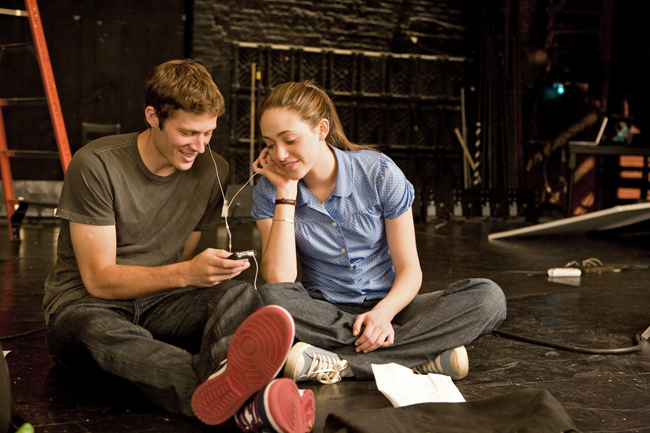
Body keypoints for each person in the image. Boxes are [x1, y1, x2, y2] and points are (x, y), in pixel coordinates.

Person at [43, 59, 314, 432]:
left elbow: (182, 259)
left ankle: (227, 390)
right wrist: (188, 273)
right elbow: (99, 280)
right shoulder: (96, 165)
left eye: (208, 133)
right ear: (153, 117)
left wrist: (200, 273)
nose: (199, 147)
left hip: (161, 303)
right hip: (86, 307)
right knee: (96, 335)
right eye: (188, 133)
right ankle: (248, 400)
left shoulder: (213, 169)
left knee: (237, 295)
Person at [251, 81, 507, 384]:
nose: (280, 154)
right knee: (270, 299)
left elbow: (410, 269)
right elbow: (279, 279)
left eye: (290, 140)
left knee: (489, 298)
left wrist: (383, 315)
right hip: (325, 312)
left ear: (321, 129)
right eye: (270, 144)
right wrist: (285, 192)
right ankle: (418, 355)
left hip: (393, 307)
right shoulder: (270, 190)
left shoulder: (378, 173)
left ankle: (342, 363)